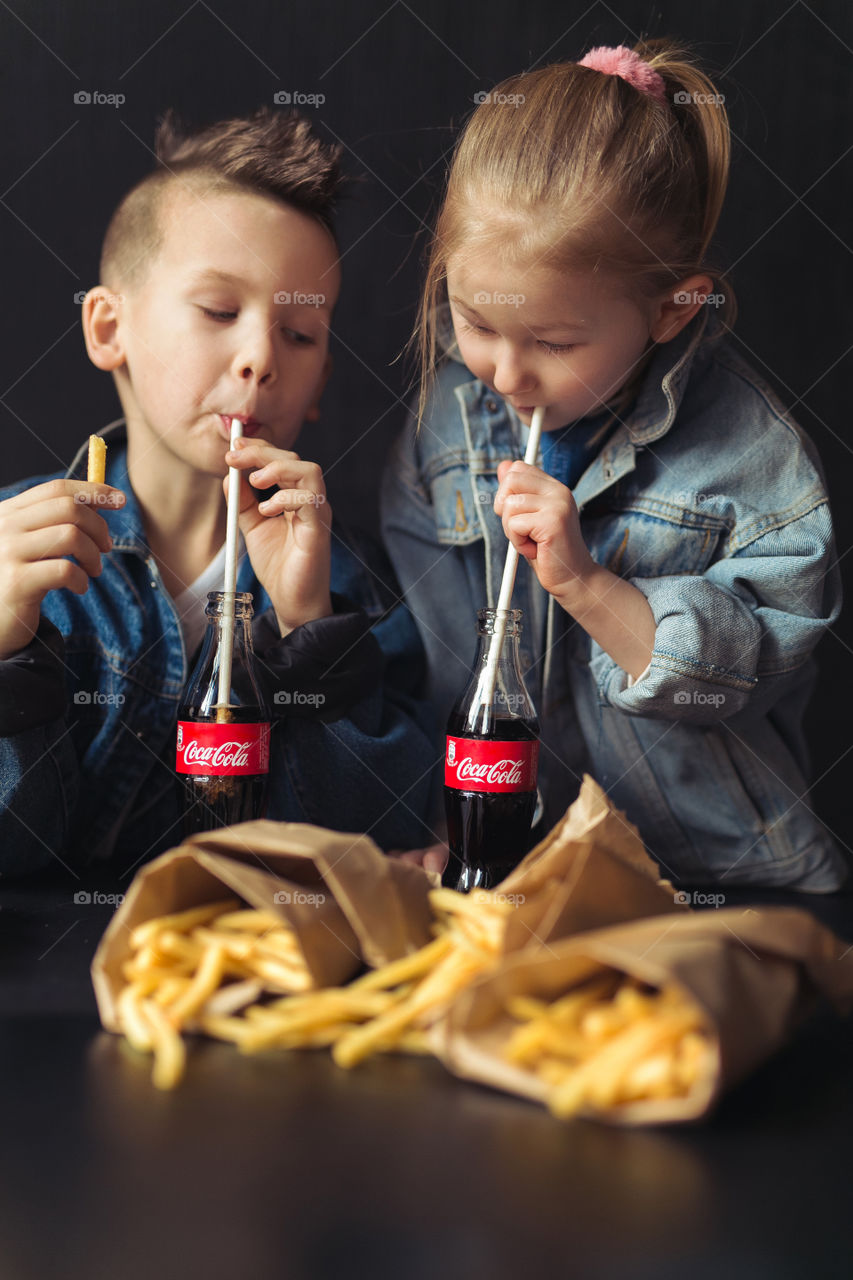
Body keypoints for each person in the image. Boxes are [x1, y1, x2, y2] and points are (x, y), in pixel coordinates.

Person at [381, 40, 849, 891]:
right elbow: (445, 669)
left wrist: (589, 587)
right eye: (476, 321)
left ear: (672, 310)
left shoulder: (754, 463)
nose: (506, 374)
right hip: (516, 875)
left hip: (717, 884)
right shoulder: (443, 429)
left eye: (555, 343)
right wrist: (453, 829)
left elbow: (732, 686)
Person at [0, 107, 435, 876]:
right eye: (218, 311)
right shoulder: (16, 554)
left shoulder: (352, 594)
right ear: (108, 329)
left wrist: (307, 632)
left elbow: (379, 842)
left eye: (299, 335)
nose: (260, 357)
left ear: (316, 385)